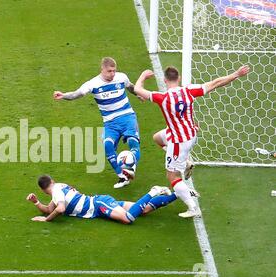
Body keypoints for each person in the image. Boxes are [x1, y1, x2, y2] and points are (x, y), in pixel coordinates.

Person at [134, 65, 250, 218]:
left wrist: (142, 76)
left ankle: (193, 207)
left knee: (172, 177)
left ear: (164, 80)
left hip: (178, 142)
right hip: (191, 135)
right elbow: (216, 83)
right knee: (157, 138)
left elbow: (137, 89)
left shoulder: (162, 97)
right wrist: (236, 73)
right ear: (179, 78)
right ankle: (186, 162)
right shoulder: (189, 91)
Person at [53, 57, 142, 188]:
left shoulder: (121, 77)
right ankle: (122, 177)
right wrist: (63, 95)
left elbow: (130, 87)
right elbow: (77, 94)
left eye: (114, 71)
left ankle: (131, 168)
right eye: (109, 71)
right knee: (107, 146)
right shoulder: (93, 84)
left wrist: (139, 94)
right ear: (102, 69)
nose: (112, 74)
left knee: (133, 143)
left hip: (127, 117)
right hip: (110, 123)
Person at [26, 175, 177, 224]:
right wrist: (37, 203)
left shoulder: (57, 192)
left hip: (99, 205)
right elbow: (49, 209)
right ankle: (178, 194)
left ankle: (153, 191)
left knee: (128, 219)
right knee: (144, 209)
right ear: (51, 181)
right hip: (99, 203)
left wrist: (46, 221)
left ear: (42, 189)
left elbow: (60, 209)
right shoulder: (58, 188)